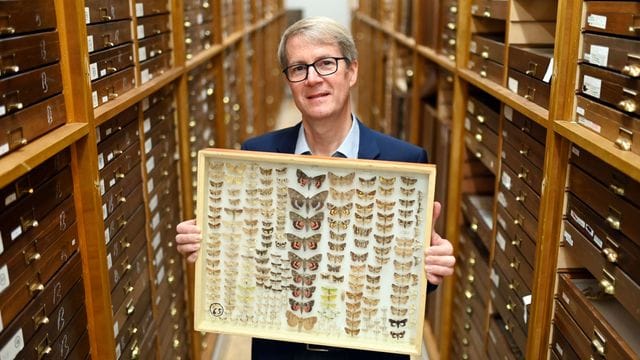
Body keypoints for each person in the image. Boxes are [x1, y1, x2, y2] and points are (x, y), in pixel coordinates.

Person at [176, 16, 455, 360]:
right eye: (298, 68)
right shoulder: (256, 155)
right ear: (289, 82)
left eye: (326, 63)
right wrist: (207, 244)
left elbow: (404, 278)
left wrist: (429, 270)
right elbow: (244, 257)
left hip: (366, 352)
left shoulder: (405, 162)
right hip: (281, 350)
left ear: (351, 71)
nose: (313, 79)